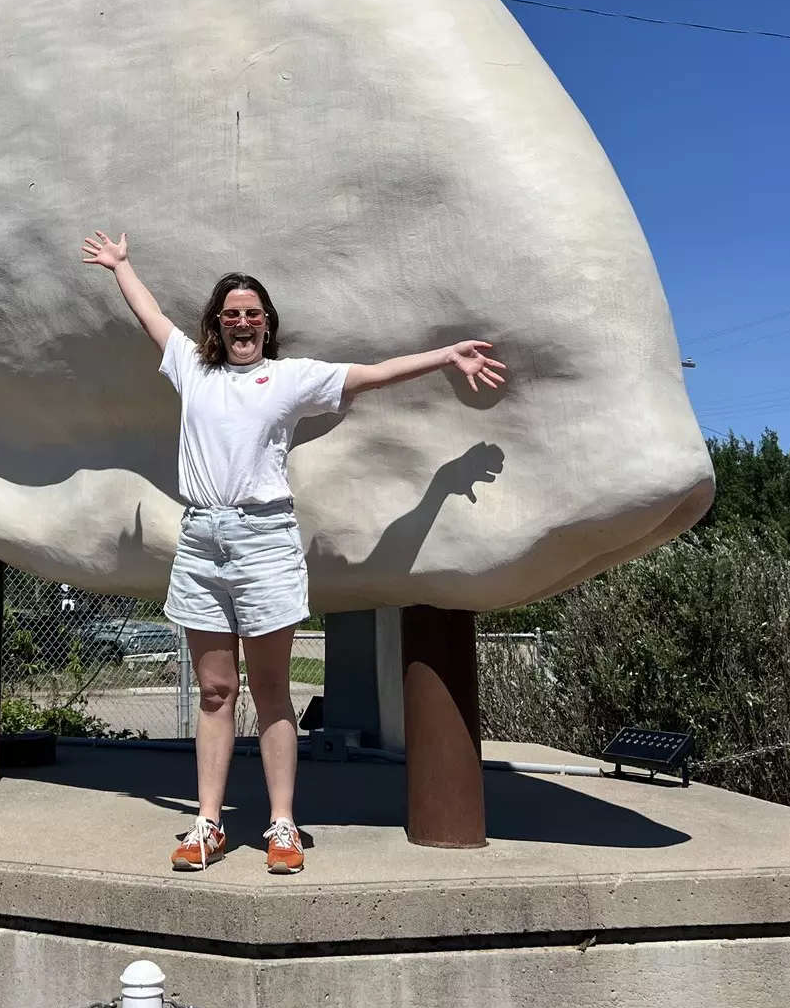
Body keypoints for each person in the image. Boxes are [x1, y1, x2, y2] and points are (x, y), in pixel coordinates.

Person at [81, 229, 507, 874]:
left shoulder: (289, 380)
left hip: (264, 541)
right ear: (217, 327)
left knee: (274, 689)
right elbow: (150, 316)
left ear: (267, 323)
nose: (242, 324)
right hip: (201, 539)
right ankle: (207, 825)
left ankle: (282, 824)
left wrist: (448, 355)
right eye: (231, 316)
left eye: (252, 315)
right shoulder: (192, 369)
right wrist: (121, 267)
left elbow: (371, 375)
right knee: (216, 691)